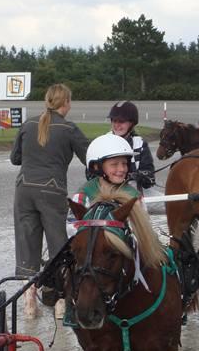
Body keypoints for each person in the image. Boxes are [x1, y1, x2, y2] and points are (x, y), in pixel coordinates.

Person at [64, 133, 167, 327]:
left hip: (121, 258)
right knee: (67, 269)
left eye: (124, 164)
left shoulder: (133, 195)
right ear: (97, 166)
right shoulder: (83, 194)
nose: (121, 169)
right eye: (115, 164)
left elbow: (143, 229)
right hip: (90, 255)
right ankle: (71, 307)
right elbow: (71, 228)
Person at [10, 83, 89, 315]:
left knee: (27, 244)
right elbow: (90, 158)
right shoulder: (69, 129)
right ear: (66, 103)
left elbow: (15, 158)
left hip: (24, 189)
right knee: (58, 246)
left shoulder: (28, 124)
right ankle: (61, 302)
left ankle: (29, 303)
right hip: (52, 190)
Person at [108, 100, 155, 191]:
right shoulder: (103, 142)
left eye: (121, 121)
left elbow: (149, 176)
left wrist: (143, 176)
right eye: (114, 121)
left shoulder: (140, 144)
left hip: (135, 191)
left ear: (132, 123)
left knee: (165, 201)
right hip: (109, 191)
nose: (117, 125)